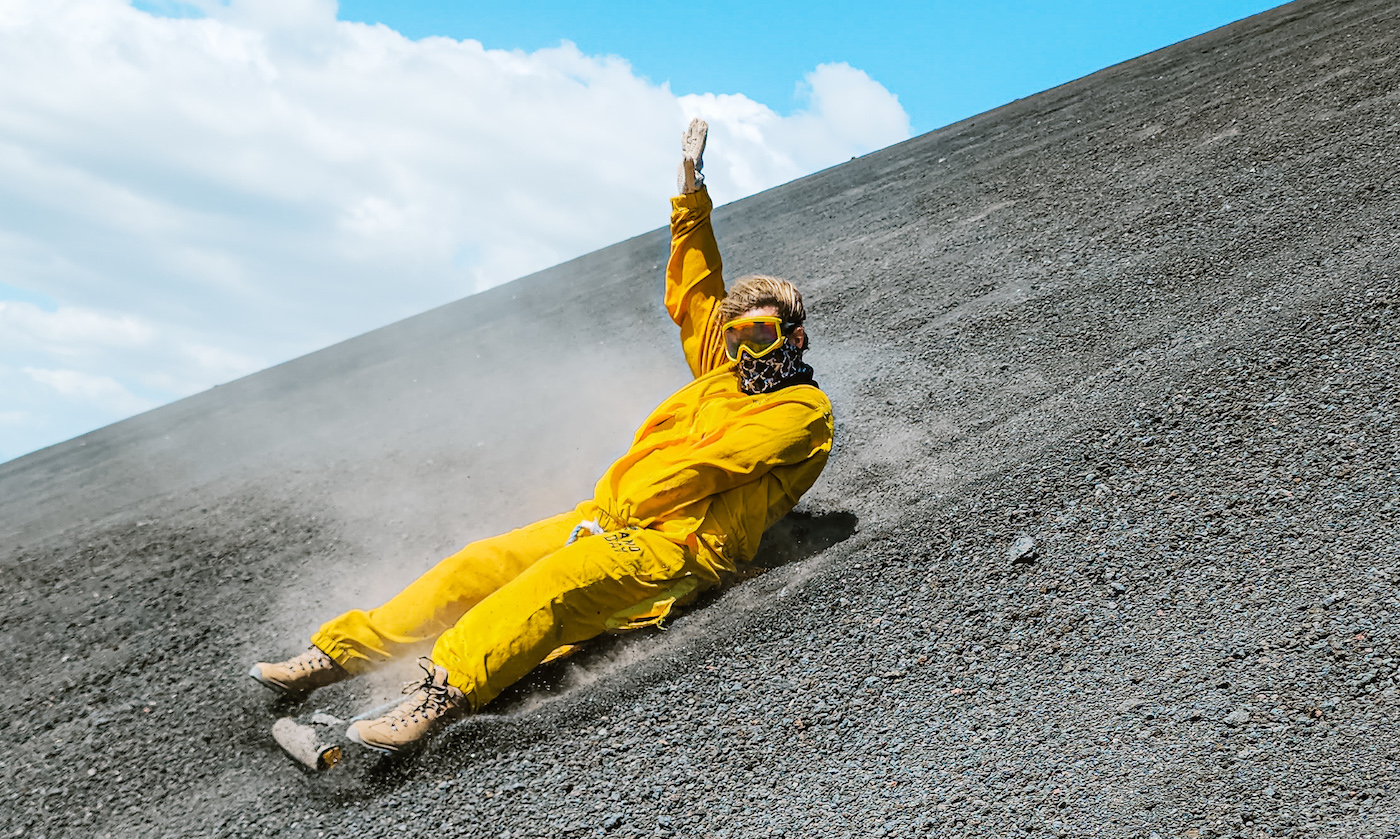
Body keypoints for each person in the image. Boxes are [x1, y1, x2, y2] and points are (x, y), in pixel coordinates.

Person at [249, 119, 834, 754]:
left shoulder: (804, 412)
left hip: (678, 551)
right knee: (473, 567)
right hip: (608, 518)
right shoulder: (723, 375)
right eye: (740, 337)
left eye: (764, 338)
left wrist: (613, 520)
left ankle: (432, 700)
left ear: (794, 338)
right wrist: (690, 190)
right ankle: (333, 656)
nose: (749, 352)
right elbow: (696, 294)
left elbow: (698, 470)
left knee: (550, 585)